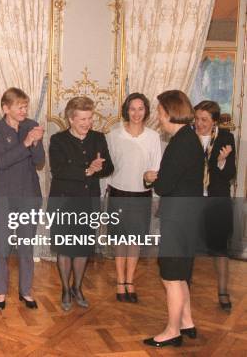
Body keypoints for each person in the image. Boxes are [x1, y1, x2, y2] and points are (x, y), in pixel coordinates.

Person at [143, 90, 204, 347]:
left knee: (171, 277)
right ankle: (186, 322)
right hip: (189, 217)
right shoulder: (190, 138)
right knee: (181, 274)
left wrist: (151, 177)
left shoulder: (180, 143)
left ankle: (172, 331)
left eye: (159, 111)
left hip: (178, 219)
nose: (157, 116)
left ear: (169, 113)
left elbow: (164, 186)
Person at [49, 96, 114, 311]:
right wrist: (87, 169)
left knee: (83, 247)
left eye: (90, 118)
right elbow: (58, 170)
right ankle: (65, 289)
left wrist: (98, 168)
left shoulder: (98, 138)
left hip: (88, 202)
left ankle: (77, 287)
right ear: (70, 119)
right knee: (65, 249)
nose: (87, 123)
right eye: (82, 119)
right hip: (64, 203)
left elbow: (109, 167)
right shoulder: (58, 140)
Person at [0, 87, 45, 310]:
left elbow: (39, 161)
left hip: (29, 194)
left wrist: (37, 142)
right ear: (6, 108)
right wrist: (26, 143)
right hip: (3, 195)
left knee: (26, 246)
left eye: (25, 106)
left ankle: (26, 291)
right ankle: (0, 292)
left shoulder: (31, 125)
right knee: (2, 246)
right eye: (19, 107)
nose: (24, 110)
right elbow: (2, 161)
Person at [106, 93, 161, 303]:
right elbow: (108, 169)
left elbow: (156, 169)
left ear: (146, 111)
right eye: (132, 109)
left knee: (135, 240)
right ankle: (120, 282)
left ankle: (130, 281)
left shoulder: (154, 137)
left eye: (140, 108)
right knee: (120, 239)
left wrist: (154, 191)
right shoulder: (114, 135)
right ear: (126, 111)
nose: (136, 113)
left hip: (142, 194)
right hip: (118, 192)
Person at [193, 100, 236, 312]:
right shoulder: (187, 136)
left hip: (216, 200)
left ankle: (223, 291)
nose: (199, 124)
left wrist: (221, 162)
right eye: (197, 118)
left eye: (204, 120)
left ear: (215, 121)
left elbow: (230, 175)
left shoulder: (226, 138)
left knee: (220, 248)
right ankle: (183, 289)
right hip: (191, 200)